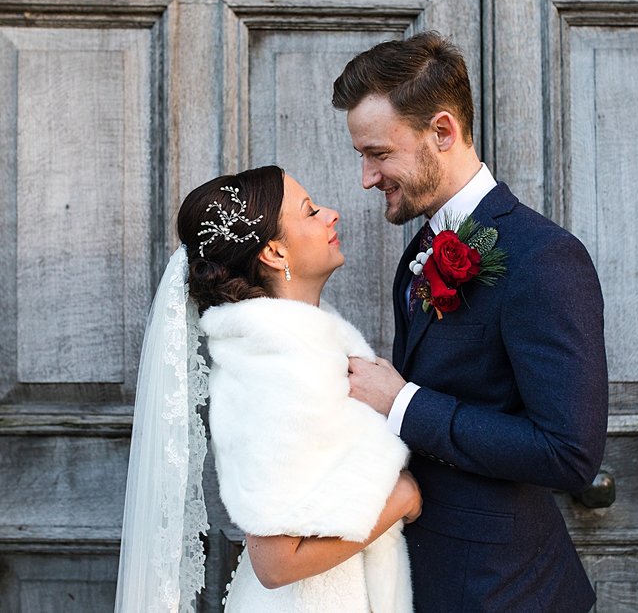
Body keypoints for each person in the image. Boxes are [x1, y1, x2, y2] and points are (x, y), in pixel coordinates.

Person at [331, 31, 609, 612]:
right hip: (426, 573)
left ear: (442, 132)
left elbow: (568, 452)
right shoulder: (419, 254)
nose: (366, 177)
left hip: (503, 587)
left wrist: (402, 402)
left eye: (378, 153)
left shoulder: (544, 259)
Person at [114, 165, 420, 613]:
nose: (332, 214)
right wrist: (402, 498)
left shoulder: (296, 347)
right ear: (275, 252)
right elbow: (275, 562)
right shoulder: (276, 368)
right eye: (311, 211)